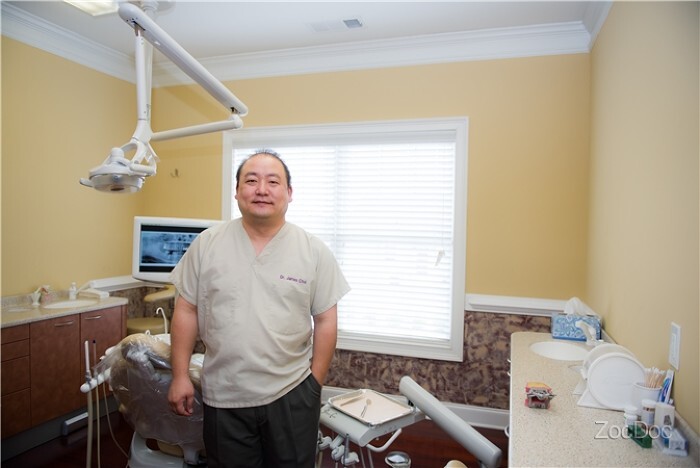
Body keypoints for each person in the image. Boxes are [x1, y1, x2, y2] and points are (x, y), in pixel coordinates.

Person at [167, 150, 350, 468]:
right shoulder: (207, 245)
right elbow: (186, 310)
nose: (261, 189)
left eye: (273, 181)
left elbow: (325, 319)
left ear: (289, 193)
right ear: (237, 191)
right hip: (224, 394)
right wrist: (180, 375)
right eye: (251, 181)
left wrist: (314, 383)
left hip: (291, 392)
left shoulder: (313, 251)